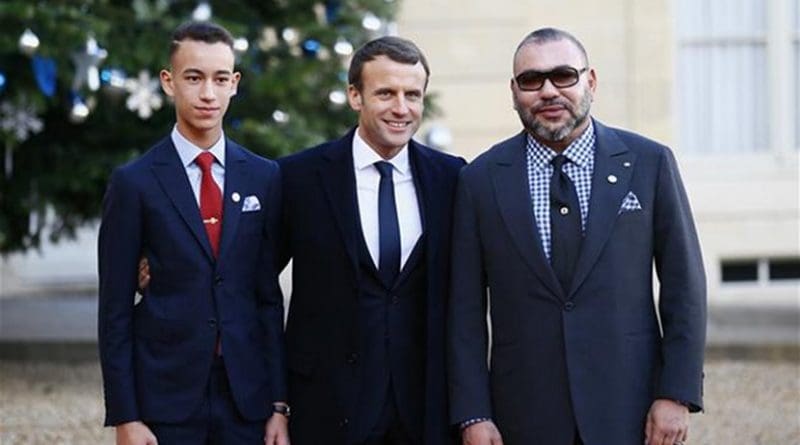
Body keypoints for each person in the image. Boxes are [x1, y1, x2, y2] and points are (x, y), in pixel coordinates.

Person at [447, 27, 706, 445]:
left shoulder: (649, 163)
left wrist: (676, 393)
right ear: (514, 92)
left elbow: (684, 287)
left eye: (564, 75)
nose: (548, 91)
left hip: (631, 408)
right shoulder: (479, 180)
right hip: (523, 414)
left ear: (591, 80)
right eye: (532, 81)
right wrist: (473, 413)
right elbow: (464, 311)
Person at [98, 21, 289, 445]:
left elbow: (267, 298)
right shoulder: (135, 183)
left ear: (234, 83)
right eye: (194, 78)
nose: (208, 93)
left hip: (247, 398)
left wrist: (278, 404)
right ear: (168, 82)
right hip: (165, 398)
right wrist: (126, 416)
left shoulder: (264, 177)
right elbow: (113, 309)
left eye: (220, 79)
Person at [278, 36, 466, 445]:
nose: (401, 108)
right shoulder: (298, 179)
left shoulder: (453, 179)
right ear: (354, 95)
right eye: (385, 93)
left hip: (426, 410)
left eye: (412, 95)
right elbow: (251, 284)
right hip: (327, 407)